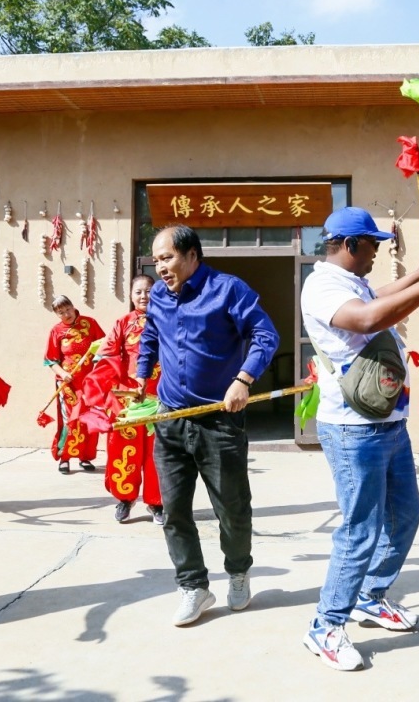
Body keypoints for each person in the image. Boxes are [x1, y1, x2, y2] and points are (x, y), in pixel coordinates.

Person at [298, 207, 419, 671]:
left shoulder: (349, 280)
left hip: (387, 423)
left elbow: (378, 294)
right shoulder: (323, 284)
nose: (376, 253)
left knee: (406, 513)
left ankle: (371, 595)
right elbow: (368, 317)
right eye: (372, 245)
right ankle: (325, 626)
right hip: (354, 429)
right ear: (349, 246)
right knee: (360, 529)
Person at [135, 225, 279, 627]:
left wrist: (243, 379)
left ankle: (237, 572)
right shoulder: (160, 296)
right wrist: (140, 377)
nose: (160, 267)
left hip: (220, 420)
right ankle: (194, 585)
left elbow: (265, 333)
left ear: (192, 255)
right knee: (173, 511)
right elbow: (150, 336)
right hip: (171, 419)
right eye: (156, 259)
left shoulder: (227, 289)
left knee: (232, 509)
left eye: (167, 258)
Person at [95, 274, 164, 525]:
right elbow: (107, 355)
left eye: (148, 291)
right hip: (128, 402)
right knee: (124, 451)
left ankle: (157, 503)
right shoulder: (123, 323)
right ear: (131, 295)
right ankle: (125, 499)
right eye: (138, 292)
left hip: (159, 399)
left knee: (158, 454)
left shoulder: (167, 319)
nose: (144, 296)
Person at [43, 295, 105, 474]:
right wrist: (63, 374)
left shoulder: (90, 323)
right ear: (56, 315)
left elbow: (103, 346)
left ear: (73, 306)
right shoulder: (57, 331)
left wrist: (99, 367)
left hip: (89, 383)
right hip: (68, 384)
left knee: (88, 420)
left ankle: (85, 457)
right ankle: (65, 457)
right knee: (70, 420)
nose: (66, 314)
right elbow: (50, 360)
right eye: (61, 313)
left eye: (67, 309)